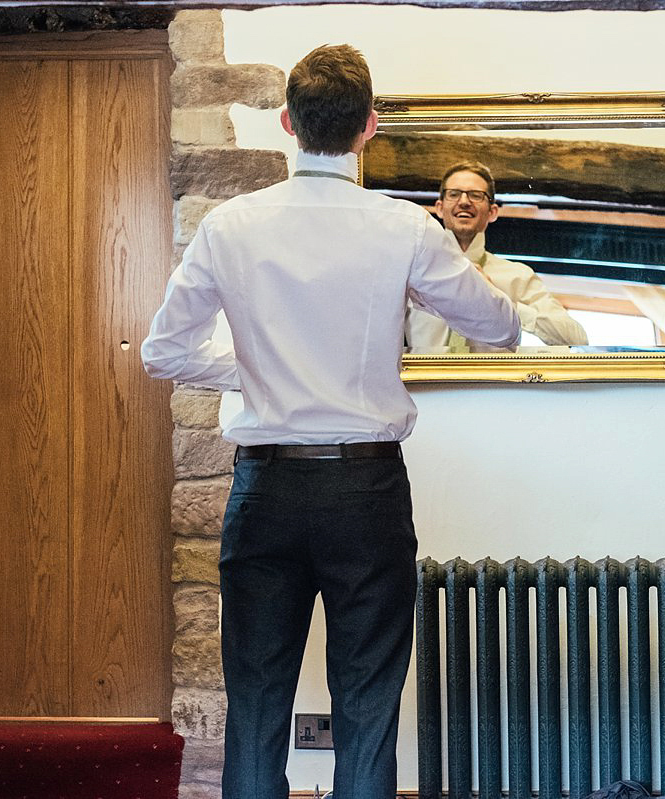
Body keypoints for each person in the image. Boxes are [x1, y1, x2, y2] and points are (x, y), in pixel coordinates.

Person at [142, 45, 518, 799]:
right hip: (366, 492)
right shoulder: (405, 229)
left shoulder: (230, 225)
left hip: (265, 491)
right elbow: (502, 327)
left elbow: (165, 351)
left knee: (255, 703)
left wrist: (255, 367)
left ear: (287, 123)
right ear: (368, 127)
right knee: (368, 703)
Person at [406, 160, 589, 350]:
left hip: (494, 380)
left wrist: (503, 303)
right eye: (454, 194)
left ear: (492, 212)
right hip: (424, 379)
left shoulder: (519, 276)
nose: (464, 202)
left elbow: (575, 338)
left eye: (476, 195)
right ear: (439, 208)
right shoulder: (414, 272)